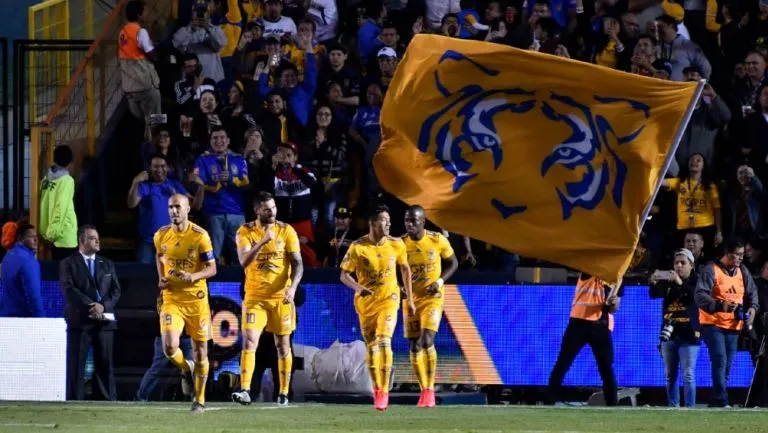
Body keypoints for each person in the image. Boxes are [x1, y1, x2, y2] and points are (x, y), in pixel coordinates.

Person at [231, 191, 304, 406]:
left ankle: (283, 393)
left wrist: (293, 287)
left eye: (273, 207)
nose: (271, 211)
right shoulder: (244, 231)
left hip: (281, 297)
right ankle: (244, 389)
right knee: (250, 341)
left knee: (282, 345)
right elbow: (244, 261)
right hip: (255, 297)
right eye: (266, 208)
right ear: (257, 211)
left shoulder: (286, 231)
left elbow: (298, 263)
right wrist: (262, 241)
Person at [340, 204, 414, 411]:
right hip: (365, 304)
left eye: (389, 220)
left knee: (384, 341)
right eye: (384, 220)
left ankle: (385, 392)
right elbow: (344, 274)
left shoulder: (396, 244)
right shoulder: (358, 247)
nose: (389, 223)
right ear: (373, 223)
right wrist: (358, 287)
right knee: (371, 345)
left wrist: (408, 294)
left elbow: (405, 268)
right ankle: (378, 390)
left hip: (389, 299)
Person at [154, 194, 218, 414]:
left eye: (178, 207)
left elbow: (212, 268)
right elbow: (159, 256)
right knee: (170, 347)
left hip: (196, 300)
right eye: (171, 207)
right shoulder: (161, 235)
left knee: (201, 352)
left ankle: (199, 400)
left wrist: (194, 276)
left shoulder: (200, 236)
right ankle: (186, 367)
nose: (174, 211)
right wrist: (161, 277)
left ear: (188, 209)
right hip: (172, 298)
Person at [402, 205, 458, 408]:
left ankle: (430, 389)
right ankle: (424, 389)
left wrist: (440, 281)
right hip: (411, 301)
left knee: (427, 339)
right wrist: (400, 287)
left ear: (423, 222)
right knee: (415, 344)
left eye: (414, 220)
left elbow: (453, 263)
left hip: (433, 298)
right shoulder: (400, 244)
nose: (409, 224)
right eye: (407, 220)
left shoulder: (437, 240)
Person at [60, 225, 122, 401]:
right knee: (77, 364)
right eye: (93, 238)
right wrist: (91, 307)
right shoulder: (68, 263)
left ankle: (106, 401)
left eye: (98, 237)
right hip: (80, 321)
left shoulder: (107, 263)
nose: (98, 241)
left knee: (105, 364)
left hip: (105, 322)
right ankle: (75, 400)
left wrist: (102, 306)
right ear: (82, 240)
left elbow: (116, 291)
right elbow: (68, 289)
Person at [695, 237, 759, 407]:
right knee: (720, 360)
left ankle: (716, 400)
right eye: (737, 255)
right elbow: (700, 295)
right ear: (727, 254)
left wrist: (753, 308)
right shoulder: (710, 269)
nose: (740, 258)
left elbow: (752, 292)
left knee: (727, 365)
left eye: (742, 255)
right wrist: (719, 305)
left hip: (733, 325)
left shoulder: (742, 271)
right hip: (712, 323)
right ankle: (721, 400)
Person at [548, 273, 623, 406]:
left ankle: (613, 406)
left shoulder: (617, 278)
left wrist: (614, 303)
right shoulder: (589, 271)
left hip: (601, 326)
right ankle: (548, 401)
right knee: (563, 363)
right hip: (579, 323)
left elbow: (613, 308)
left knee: (606, 368)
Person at [649, 248, 700, 407]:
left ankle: (690, 409)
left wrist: (679, 282)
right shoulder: (668, 282)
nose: (679, 266)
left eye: (683, 263)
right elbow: (654, 294)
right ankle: (673, 407)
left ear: (691, 265)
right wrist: (653, 281)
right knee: (670, 375)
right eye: (676, 263)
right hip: (669, 333)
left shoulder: (697, 281)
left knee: (688, 374)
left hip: (689, 334)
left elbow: (692, 297)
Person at [40, 145, 78, 259]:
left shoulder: (46, 179)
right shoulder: (67, 180)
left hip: (48, 232)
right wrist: (53, 233)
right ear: (70, 162)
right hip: (63, 236)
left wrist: (47, 232)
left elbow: (43, 205)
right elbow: (61, 207)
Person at [0, 224, 43, 317]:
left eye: (36, 237)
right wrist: (40, 318)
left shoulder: (7, 257)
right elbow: (33, 295)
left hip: (5, 315)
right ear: (21, 239)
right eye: (31, 237)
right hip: (22, 318)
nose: (35, 240)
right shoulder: (28, 261)